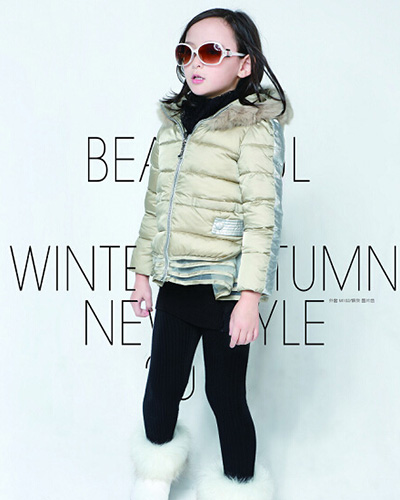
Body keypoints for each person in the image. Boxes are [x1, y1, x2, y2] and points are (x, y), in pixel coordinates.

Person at [129, 8, 293, 500]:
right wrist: (142, 272)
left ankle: (239, 488)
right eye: (186, 52)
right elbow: (156, 204)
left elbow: (263, 217)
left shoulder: (254, 128)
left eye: (210, 52)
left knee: (225, 397)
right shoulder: (173, 125)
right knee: (161, 391)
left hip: (225, 291)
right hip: (177, 282)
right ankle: (153, 481)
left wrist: (250, 297)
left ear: (244, 64)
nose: (194, 63)